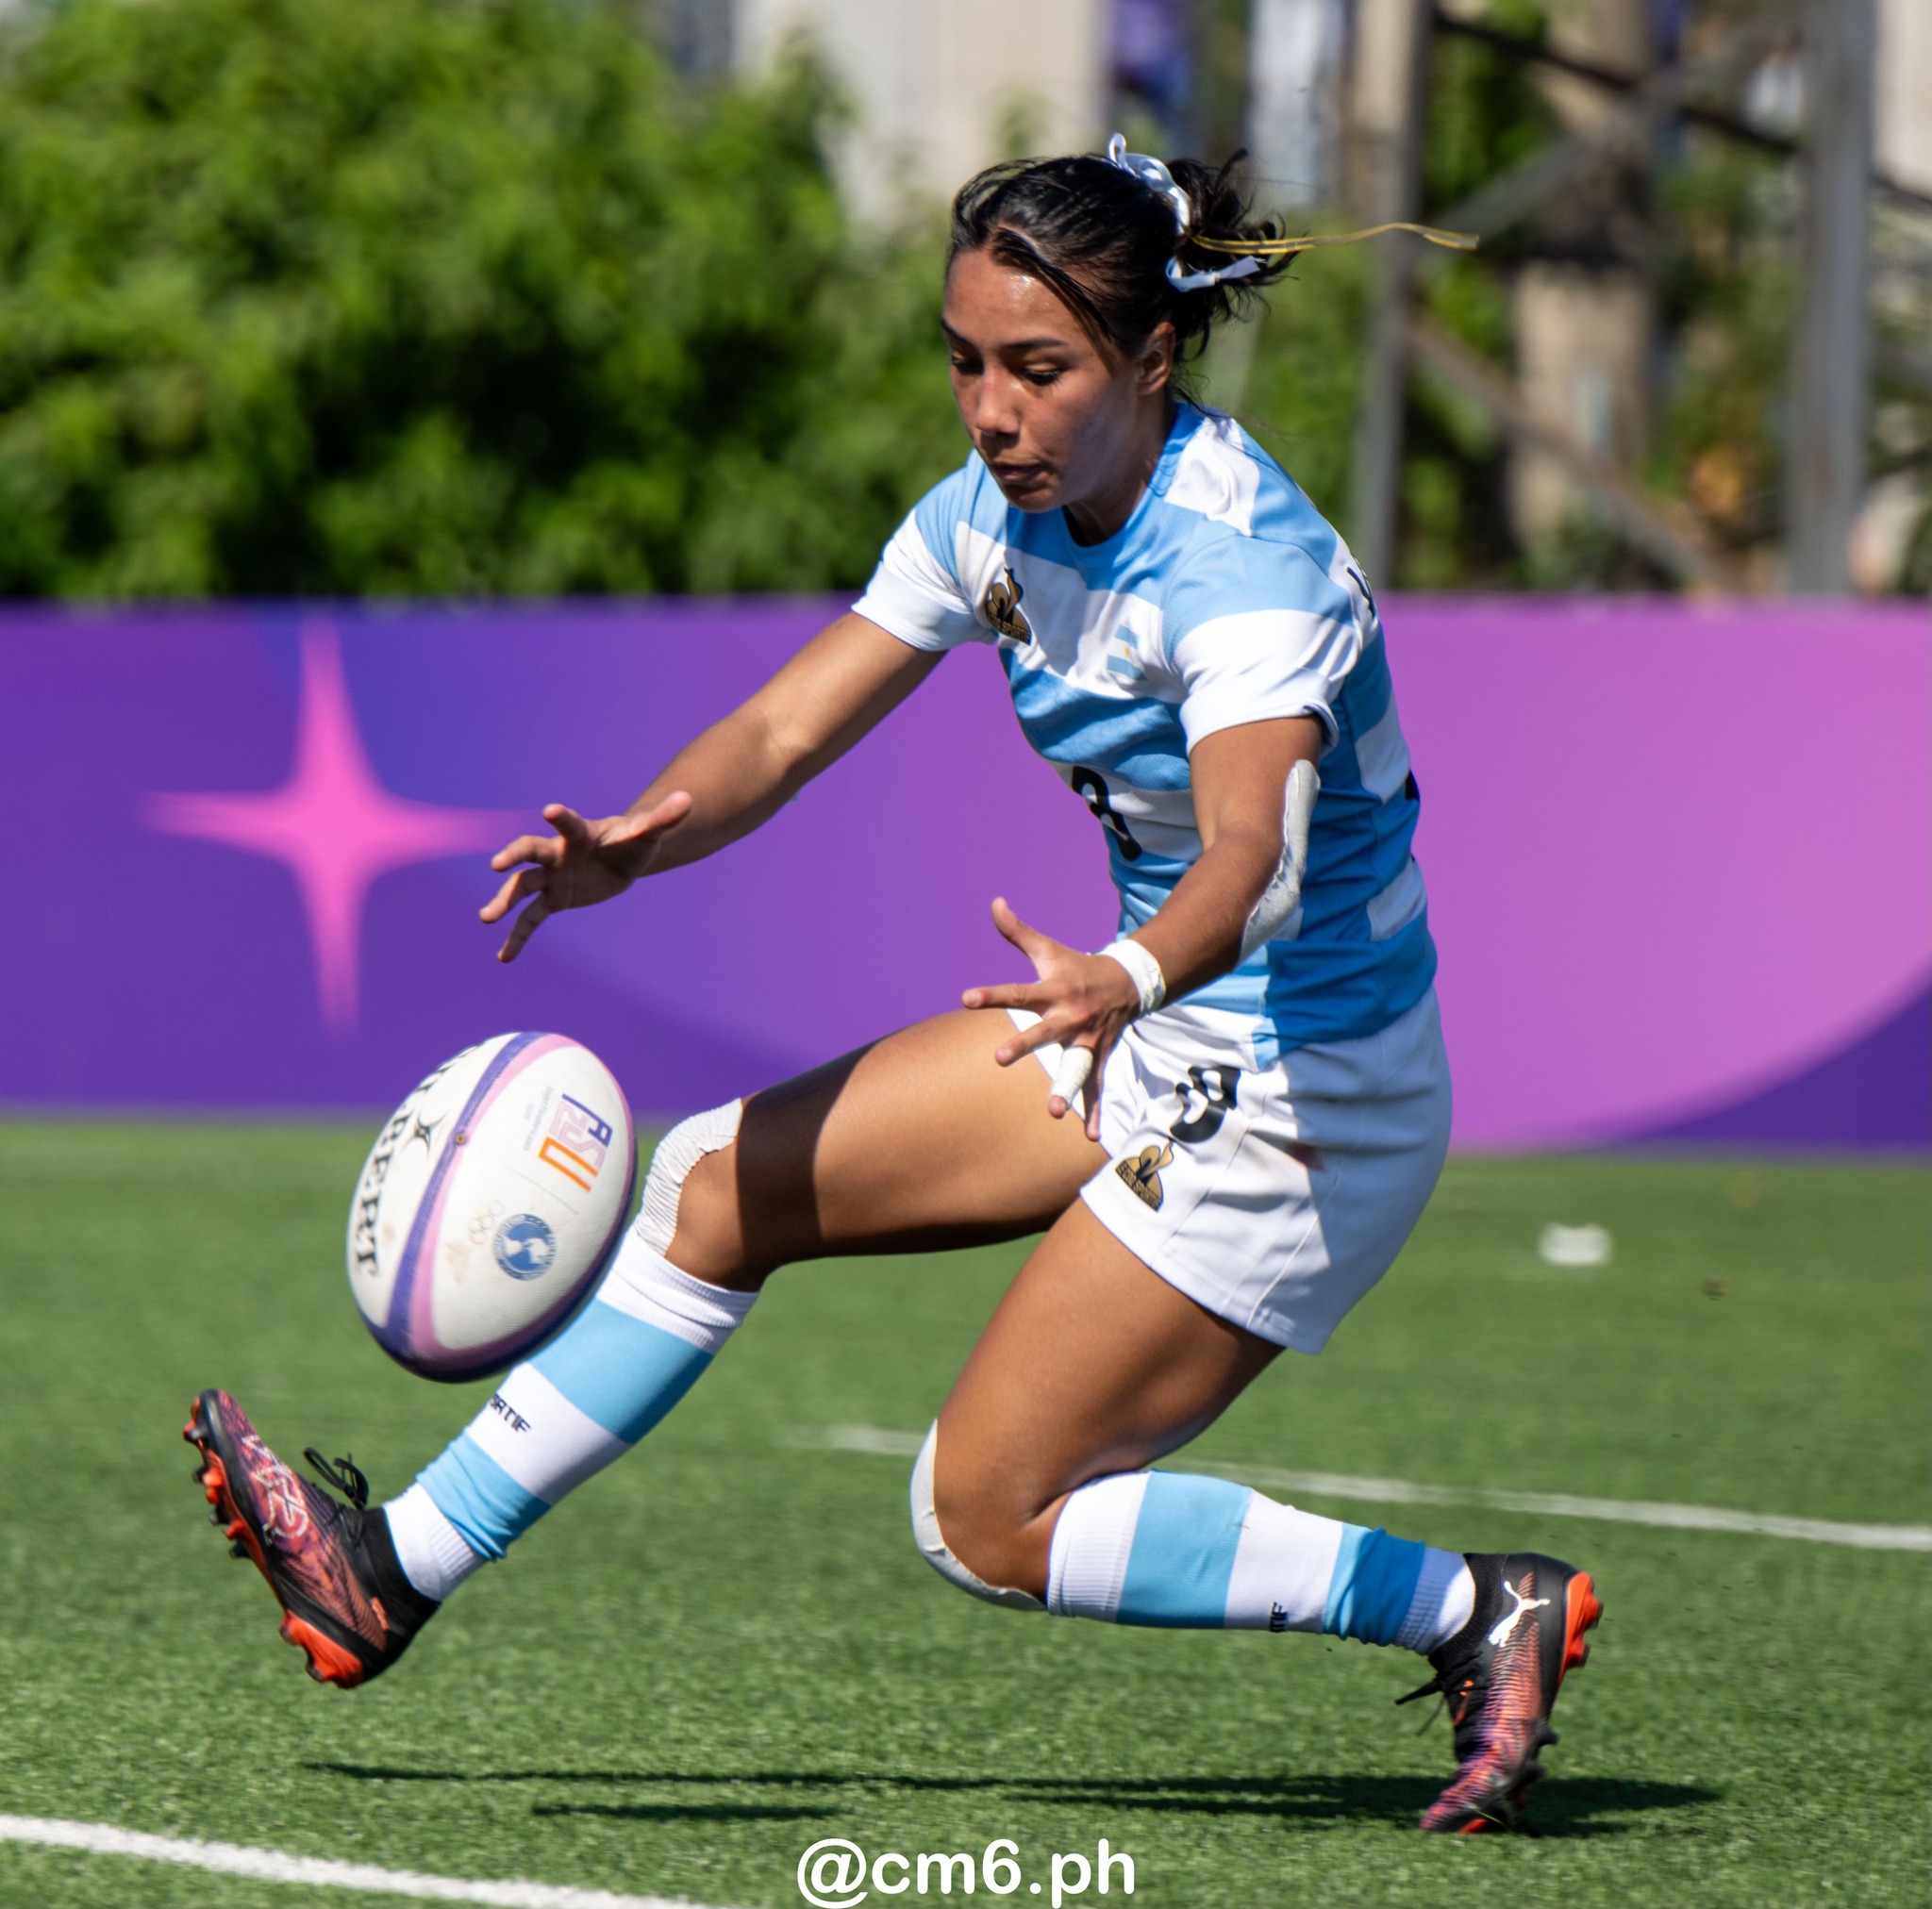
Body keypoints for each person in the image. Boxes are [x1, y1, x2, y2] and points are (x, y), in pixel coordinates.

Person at [186, 137, 1600, 1835]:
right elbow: (786, 729)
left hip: (1306, 1099)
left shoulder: (1246, 573)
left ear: (1154, 356)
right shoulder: (992, 517)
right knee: (715, 1184)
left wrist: (1131, 970)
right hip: (1132, 1021)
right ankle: (387, 1574)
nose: (989, 410)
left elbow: (1253, 863)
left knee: (982, 1519)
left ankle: (1472, 1609)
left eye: (1038, 369)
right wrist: (638, 841)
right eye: (964, 360)